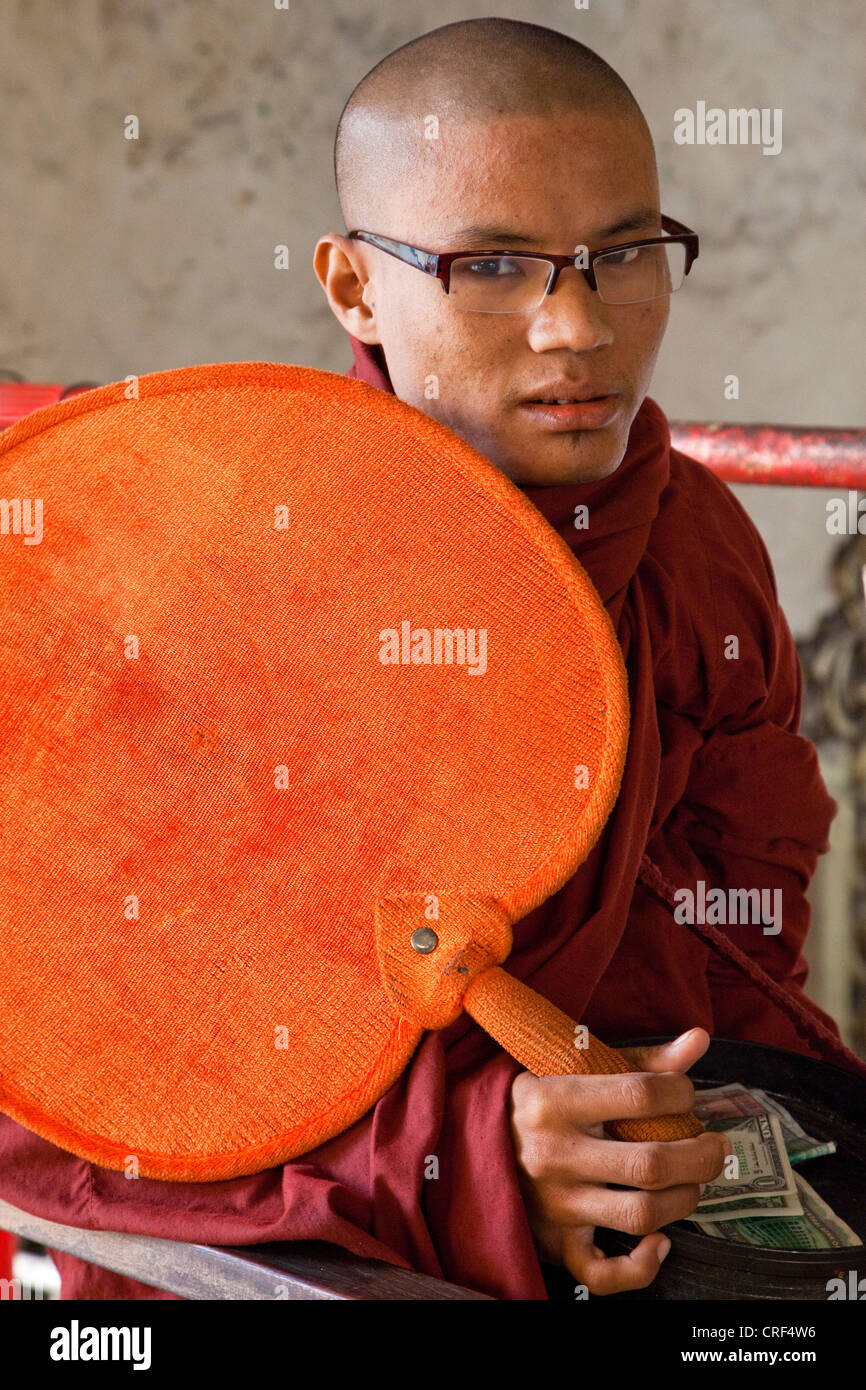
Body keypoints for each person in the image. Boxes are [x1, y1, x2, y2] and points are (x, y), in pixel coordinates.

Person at [0, 18, 854, 1302]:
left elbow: (744, 937)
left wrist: (643, 1106)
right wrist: (476, 1155)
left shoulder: (691, 540)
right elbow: (98, 1035)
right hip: (333, 1211)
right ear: (352, 288)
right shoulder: (221, 548)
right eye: (494, 265)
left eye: (621, 253)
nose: (575, 329)